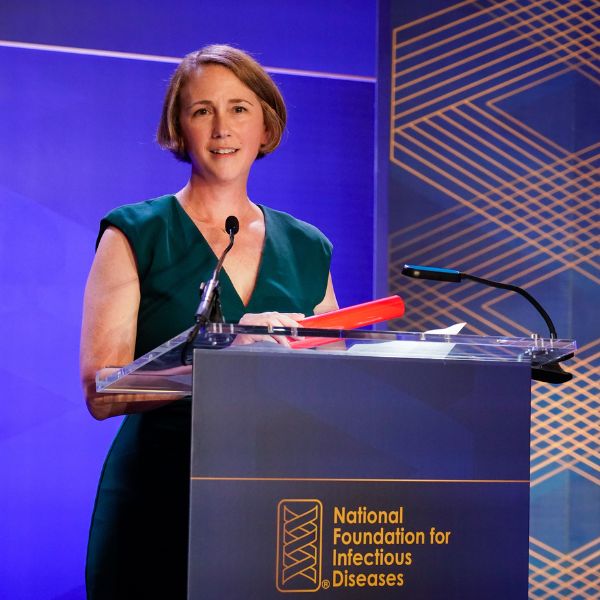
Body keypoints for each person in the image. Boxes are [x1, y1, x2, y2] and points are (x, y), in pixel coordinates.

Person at [80, 44, 338, 599]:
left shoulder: (308, 246)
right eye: (202, 110)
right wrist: (225, 357)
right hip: (157, 496)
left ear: (266, 124)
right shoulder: (135, 233)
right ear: (179, 127)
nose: (223, 127)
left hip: (274, 501)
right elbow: (102, 390)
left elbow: (333, 380)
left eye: (239, 108)